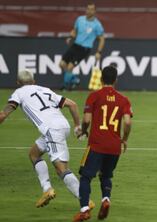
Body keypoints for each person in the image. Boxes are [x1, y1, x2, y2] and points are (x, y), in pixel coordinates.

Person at [0, 70, 94, 208]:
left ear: (18, 83)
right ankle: (47, 189)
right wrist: (77, 126)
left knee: (61, 169)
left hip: (52, 130)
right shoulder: (45, 90)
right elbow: (72, 104)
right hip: (62, 126)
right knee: (34, 154)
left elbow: (3, 115)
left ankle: (85, 200)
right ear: (33, 81)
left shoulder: (18, 93)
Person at [73, 65, 133, 221]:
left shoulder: (94, 96)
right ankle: (106, 199)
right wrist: (124, 139)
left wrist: (84, 130)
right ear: (116, 80)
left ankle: (85, 209)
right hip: (114, 147)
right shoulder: (124, 99)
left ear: (101, 79)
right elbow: (127, 122)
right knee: (106, 176)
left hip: (96, 144)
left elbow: (86, 119)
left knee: (86, 177)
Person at [60, 2, 105, 90]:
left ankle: (64, 87)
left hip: (85, 48)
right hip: (75, 45)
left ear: (95, 11)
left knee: (69, 67)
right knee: (62, 64)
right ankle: (75, 79)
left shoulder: (97, 25)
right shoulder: (80, 19)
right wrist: (70, 37)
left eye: (91, 9)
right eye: (88, 9)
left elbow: (102, 39)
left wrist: (99, 52)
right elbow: (74, 31)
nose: (89, 11)